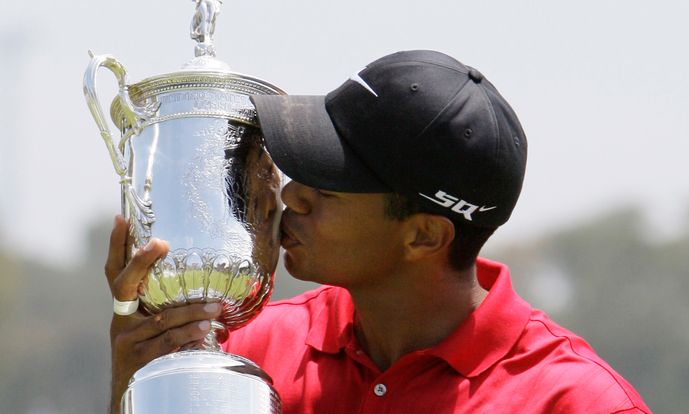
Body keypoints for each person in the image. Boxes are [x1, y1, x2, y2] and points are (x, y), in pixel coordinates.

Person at [104, 50, 651, 413]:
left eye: (331, 186)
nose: (293, 194)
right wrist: (139, 380)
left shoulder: (578, 401)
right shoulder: (250, 342)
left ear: (424, 237)